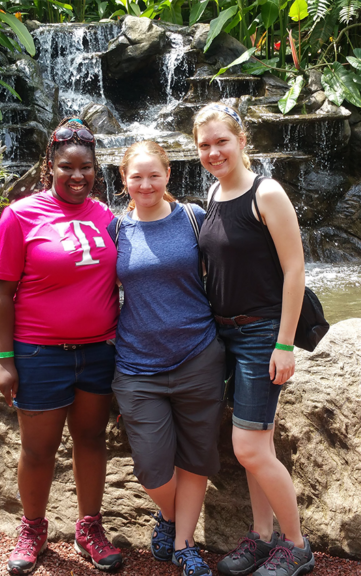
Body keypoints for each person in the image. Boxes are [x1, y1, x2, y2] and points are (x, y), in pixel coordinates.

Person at [0, 118, 124, 576]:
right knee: (38, 450)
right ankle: (33, 528)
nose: (77, 176)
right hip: (39, 353)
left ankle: (89, 528)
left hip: (99, 353)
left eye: (85, 167)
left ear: (95, 170)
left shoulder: (107, 216)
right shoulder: (20, 215)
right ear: (50, 166)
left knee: (90, 440)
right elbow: (2, 293)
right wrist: (4, 360)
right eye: (67, 167)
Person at [193, 103, 314, 576]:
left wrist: (283, 344)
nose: (213, 151)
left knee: (248, 447)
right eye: (204, 145)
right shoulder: (215, 192)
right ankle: (261, 537)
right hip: (224, 332)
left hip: (261, 333)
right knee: (255, 447)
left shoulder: (268, 193)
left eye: (221, 141)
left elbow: (295, 269)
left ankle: (297, 545)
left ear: (242, 141)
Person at [108, 141, 225, 576]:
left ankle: (183, 545)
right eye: (136, 177)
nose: (145, 184)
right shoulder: (117, 231)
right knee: (152, 470)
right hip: (137, 366)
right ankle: (171, 516)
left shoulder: (194, 219)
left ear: (168, 175)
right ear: (123, 181)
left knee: (196, 457)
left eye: (153, 175)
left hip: (198, 355)